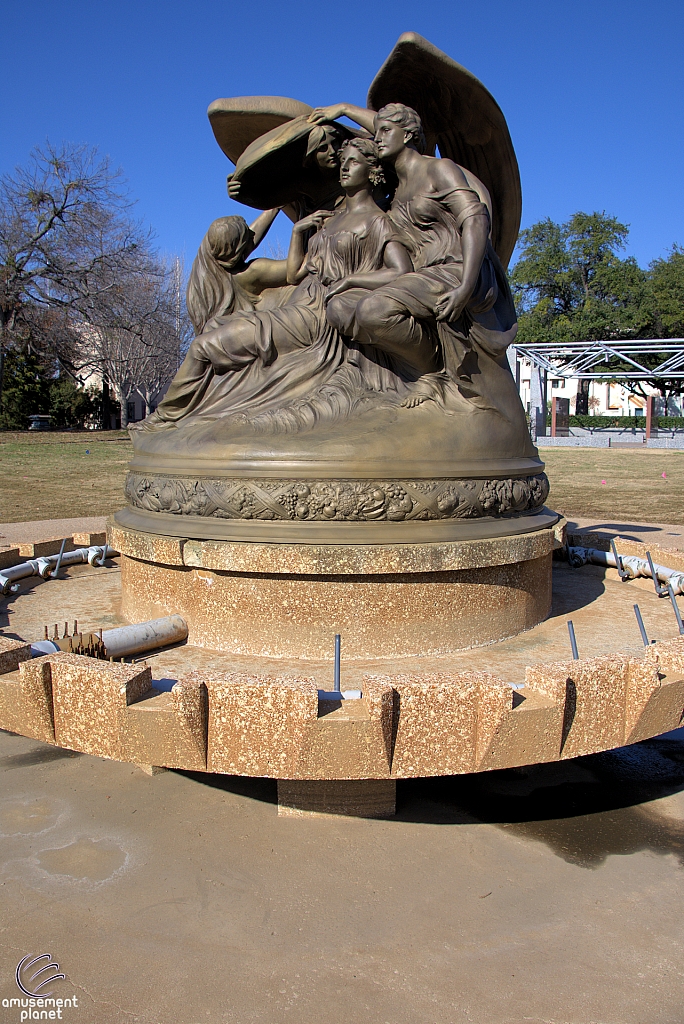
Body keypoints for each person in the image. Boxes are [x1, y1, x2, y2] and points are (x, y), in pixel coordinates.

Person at [138, 138, 412, 429]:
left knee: (204, 347)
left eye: (352, 162)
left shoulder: (377, 221)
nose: (343, 167)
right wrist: (297, 232)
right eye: (342, 162)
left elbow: (401, 270)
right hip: (299, 306)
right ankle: (178, 416)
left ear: (372, 172)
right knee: (212, 329)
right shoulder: (330, 219)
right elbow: (295, 275)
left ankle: (165, 418)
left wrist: (351, 281)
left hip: (314, 317)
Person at [308, 102, 518, 408]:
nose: (378, 137)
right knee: (340, 307)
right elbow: (382, 127)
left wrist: (466, 285)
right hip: (420, 277)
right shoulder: (396, 192)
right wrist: (341, 111)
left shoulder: (438, 169)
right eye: (376, 132)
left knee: (373, 310)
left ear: (408, 135)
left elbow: (474, 220)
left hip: (456, 269)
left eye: (386, 132)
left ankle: (430, 373)